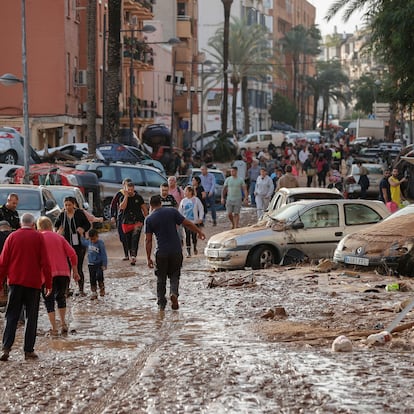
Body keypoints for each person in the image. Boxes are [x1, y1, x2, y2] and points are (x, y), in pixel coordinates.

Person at [0, 213, 52, 361]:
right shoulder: (38, 237)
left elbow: (2, 262)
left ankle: (6, 348)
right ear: (33, 224)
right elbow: (46, 264)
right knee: (31, 317)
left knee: (11, 316)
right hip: (33, 284)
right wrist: (48, 284)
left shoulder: (12, 237)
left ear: (20, 224)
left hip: (15, 283)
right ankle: (28, 350)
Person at [145, 195, 206, 311]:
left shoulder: (149, 219)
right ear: (161, 203)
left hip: (161, 252)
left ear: (151, 205)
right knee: (174, 275)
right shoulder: (172, 212)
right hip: (176, 251)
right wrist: (199, 232)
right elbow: (187, 223)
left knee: (161, 278)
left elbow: (148, 240)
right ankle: (174, 293)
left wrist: (148, 258)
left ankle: (161, 304)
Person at [37, 216, 79, 336]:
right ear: (50, 226)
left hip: (46, 275)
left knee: (48, 300)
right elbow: (73, 254)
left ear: (39, 228)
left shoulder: (39, 238)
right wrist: (75, 271)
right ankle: (63, 323)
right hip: (63, 274)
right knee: (61, 298)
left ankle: (54, 328)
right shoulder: (60, 237)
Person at [55, 196, 91, 296]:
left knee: (78, 266)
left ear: (74, 204)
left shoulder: (79, 213)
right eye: (66, 205)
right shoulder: (62, 215)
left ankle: (81, 289)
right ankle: (66, 289)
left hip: (79, 245)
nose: (67, 207)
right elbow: (56, 225)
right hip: (65, 244)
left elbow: (88, 224)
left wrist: (82, 229)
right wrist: (58, 231)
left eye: (69, 205)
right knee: (67, 268)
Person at [119, 181, 148, 265]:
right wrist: (126, 196)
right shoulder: (123, 197)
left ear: (134, 189)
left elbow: (144, 209)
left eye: (131, 190)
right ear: (126, 189)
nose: (130, 191)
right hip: (126, 221)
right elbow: (122, 207)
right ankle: (131, 253)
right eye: (128, 190)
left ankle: (133, 256)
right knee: (128, 240)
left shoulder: (138, 197)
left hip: (138, 221)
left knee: (135, 238)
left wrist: (147, 219)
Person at [178, 186, 205, 257]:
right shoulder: (183, 201)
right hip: (186, 222)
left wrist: (200, 218)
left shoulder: (196, 200)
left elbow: (201, 209)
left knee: (194, 236)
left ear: (190, 192)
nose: (185, 192)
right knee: (187, 236)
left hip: (194, 222)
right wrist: (179, 220)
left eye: (186, 191)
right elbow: (180, 211)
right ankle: (188, 252)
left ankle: (195, 247)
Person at [110, 178, 132, 261]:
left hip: (131, 218)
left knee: (131, 236)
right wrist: (113, 216)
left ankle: (131, 253)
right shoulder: (119, 194)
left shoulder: (134, 194)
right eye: (126, 185)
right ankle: (126, 254)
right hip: (121, 218)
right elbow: (113, 205)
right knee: (122, 237)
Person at [82, 228, 108, 300]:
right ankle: (94, 292)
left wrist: (104, 264)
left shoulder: (100, 243)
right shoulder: (89, 242)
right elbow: (83, 242)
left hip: (99, 264)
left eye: (94, 239)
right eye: (91, 239)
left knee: (100, 276)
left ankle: (102, 288)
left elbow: (103, 254)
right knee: (92, 278)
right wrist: (81, 235)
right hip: (91, 264)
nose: (92, 240)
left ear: (97, 236)